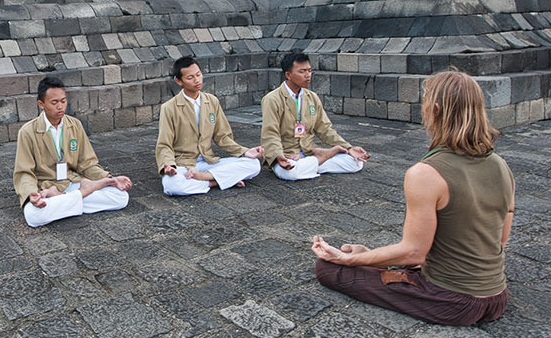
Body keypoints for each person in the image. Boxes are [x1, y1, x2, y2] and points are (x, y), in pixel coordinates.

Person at [311, 70, 515, 326]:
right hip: (497, 297)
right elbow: (500, 240)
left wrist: (349, 260)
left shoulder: (425, 174)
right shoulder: (501, 166)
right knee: (378, 263)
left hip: (454, 302)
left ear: (436, 109)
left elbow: (413, 254)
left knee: (328, 269)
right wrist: (373, 257)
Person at [13, 76, 133, 227]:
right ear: (41, 104)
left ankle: (64, 200)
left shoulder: (75, 125)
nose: (60, 107)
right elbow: (24, 173)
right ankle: (81, 195)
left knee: (120, 197)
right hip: (46, 187)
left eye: (63, 101)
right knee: (32, 216)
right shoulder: (28, 131)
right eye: (54, 102)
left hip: (72, 182)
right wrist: (32, 194)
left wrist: (110, 178)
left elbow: (87, 163)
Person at [156, 56, 264, 195]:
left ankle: (203, 178)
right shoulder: (169, 107)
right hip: (184, 164)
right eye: (190, 78)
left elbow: (222, 137)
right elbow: (164, 144)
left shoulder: (212, 101)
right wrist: (169, 166)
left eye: (198, 74)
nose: (197, 80)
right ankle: (216, 181)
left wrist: (244, 151)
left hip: (209, 162)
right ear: (179, 81)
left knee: (253, 164)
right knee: (171, 186)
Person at [261, 52, 370, 180]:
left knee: (356, 163)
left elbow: (324, 129)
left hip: (308, 152)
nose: (308, 75)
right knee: (290, 173)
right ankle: (321, 158)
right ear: (288, 75)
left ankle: (312, 162)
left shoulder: (312, 97)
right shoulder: (272, 99)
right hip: (287, 155)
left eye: (309, 70)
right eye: (302, 72)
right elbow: (270, 133)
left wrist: (349, 147)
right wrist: (278, 155)